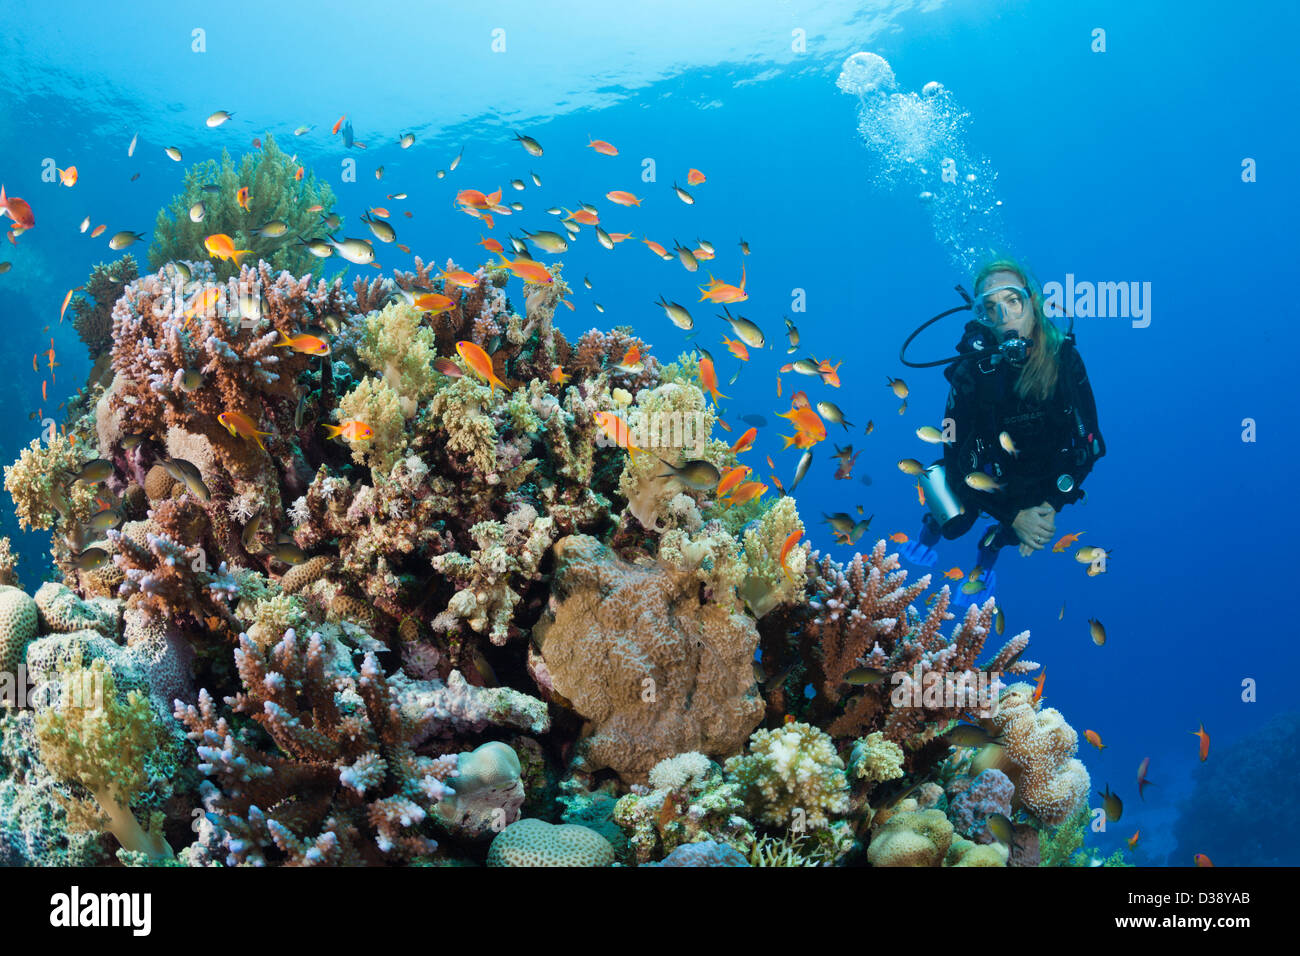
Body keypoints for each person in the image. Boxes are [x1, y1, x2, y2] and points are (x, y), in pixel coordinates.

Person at [898, 259, 1105, 603]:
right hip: (982, 470)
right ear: (981, 317)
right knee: (954, 521)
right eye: (990, 308)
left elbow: (1092, 443)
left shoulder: (1064, 358)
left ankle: (986, 563)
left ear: (1033, 303)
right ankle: (927, 534)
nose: (1004, 315)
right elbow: (951, 444)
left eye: (1013, 301)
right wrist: (1011, 512)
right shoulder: (970, 370)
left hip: (1042, 473)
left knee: (1010, 533)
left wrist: (1050, 504)